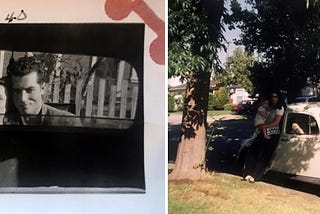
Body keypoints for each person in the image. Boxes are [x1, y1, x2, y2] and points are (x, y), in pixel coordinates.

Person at [6, 56, 81, 126]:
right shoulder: (5, 121)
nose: (22, 98)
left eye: (29, 90)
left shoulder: (67, 122)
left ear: (43, 88)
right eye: (17, 91)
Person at [243, 91, 285, 183]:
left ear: (279, 98)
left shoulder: (280, 108)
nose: (274, 99)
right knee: (253, 150)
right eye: (272, 97)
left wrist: (264, 126)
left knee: (265, 155)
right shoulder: (268, 107)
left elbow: (276, 122)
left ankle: (256, 175)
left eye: (276, 97)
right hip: (263, 131)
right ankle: (248, 173)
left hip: (273, 133)